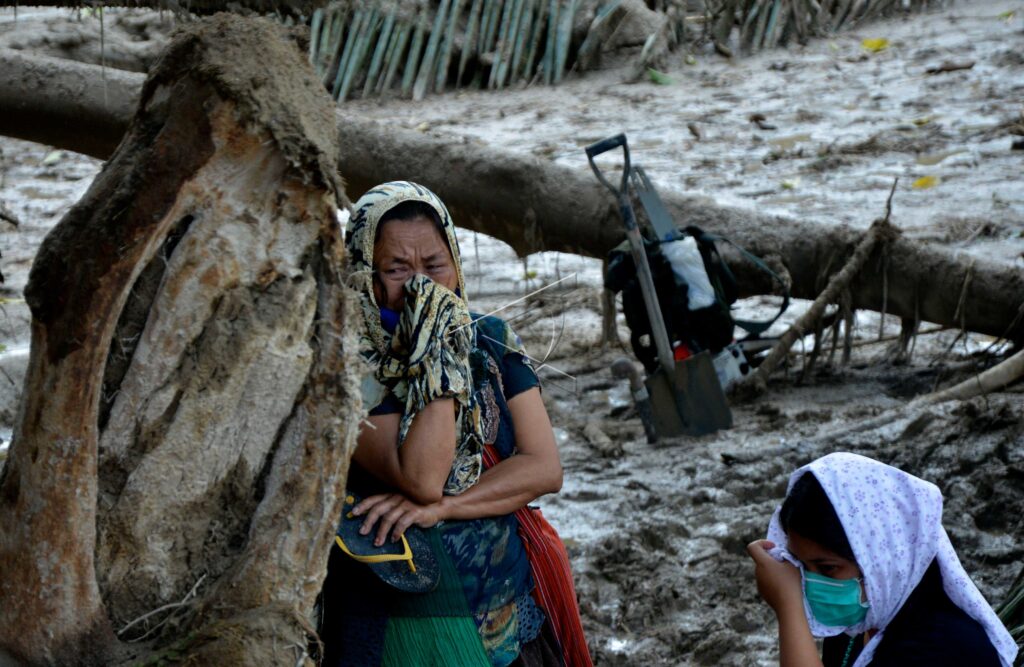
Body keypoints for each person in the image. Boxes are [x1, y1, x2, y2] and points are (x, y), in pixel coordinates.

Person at [319, 181, 592, 667]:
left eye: (434, 266)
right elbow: (422, 478)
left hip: (504, 604)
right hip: (400, 620)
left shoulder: (491, 337)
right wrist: (435, 354)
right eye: (398, 270)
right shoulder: (346, 364)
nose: (420, 285)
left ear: (456, 262)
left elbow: (543, 468)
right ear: (365, 274)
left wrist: (444, 509)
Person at [747, 452, 1018, 667]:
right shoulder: (859, 625)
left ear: (882, 563)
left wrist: (788, 605)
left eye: (827, 568)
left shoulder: (944, 645)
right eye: (800, 566)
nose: (807, 582)